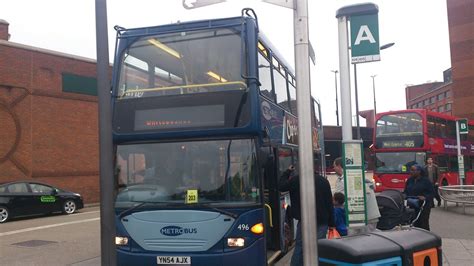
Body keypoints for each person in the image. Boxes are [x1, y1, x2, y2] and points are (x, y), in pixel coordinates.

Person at [279, 165, 335, 266]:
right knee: (318, 247)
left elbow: (281, 186)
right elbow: (329, 203)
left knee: (300, 246)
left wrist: (287, 171)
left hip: (304, 220)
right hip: (321, 221)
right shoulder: (323, 181)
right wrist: (332, 223)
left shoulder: (296, 180)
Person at [333, 157, 380, 232]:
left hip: (361, 217)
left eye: (334, 166)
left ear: (339, 166)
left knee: (355, 239)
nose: (333, 168)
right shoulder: (357, 178)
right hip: (369, 216)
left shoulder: (346, 180)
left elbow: (342, 198)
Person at [404, 164, 435, 231]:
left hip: (423, 205)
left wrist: (425, 197)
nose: (411, 172)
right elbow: (405, 191)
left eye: (413, 170)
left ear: (419, 171)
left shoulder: (426, 181)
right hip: (412, 204)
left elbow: (432, 193)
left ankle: (426, 237)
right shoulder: (409, 180)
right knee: (413, 221)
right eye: (411, 170)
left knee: (423, 223)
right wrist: (404, 196)